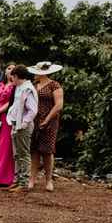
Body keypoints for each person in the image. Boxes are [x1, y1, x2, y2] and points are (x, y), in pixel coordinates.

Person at [29, 62, 64, 192]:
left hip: (50, 120)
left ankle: (48, 180)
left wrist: (47, 119)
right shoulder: (33, 85)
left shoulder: (54, 85)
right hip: (34, 120)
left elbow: (59, 105)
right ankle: (32, 178)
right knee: (34, 149)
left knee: (47, 150)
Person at [6, 65, 38, 192]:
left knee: (23, 154)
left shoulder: (27, 89)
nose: (11, 79)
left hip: (22, 126)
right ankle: (18, 180)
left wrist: (24, 123)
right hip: (15, 124)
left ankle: (24, 182)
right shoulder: (19, 88)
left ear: (17, 76)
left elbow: (32, 110)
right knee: (17, 154)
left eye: (12, 76)